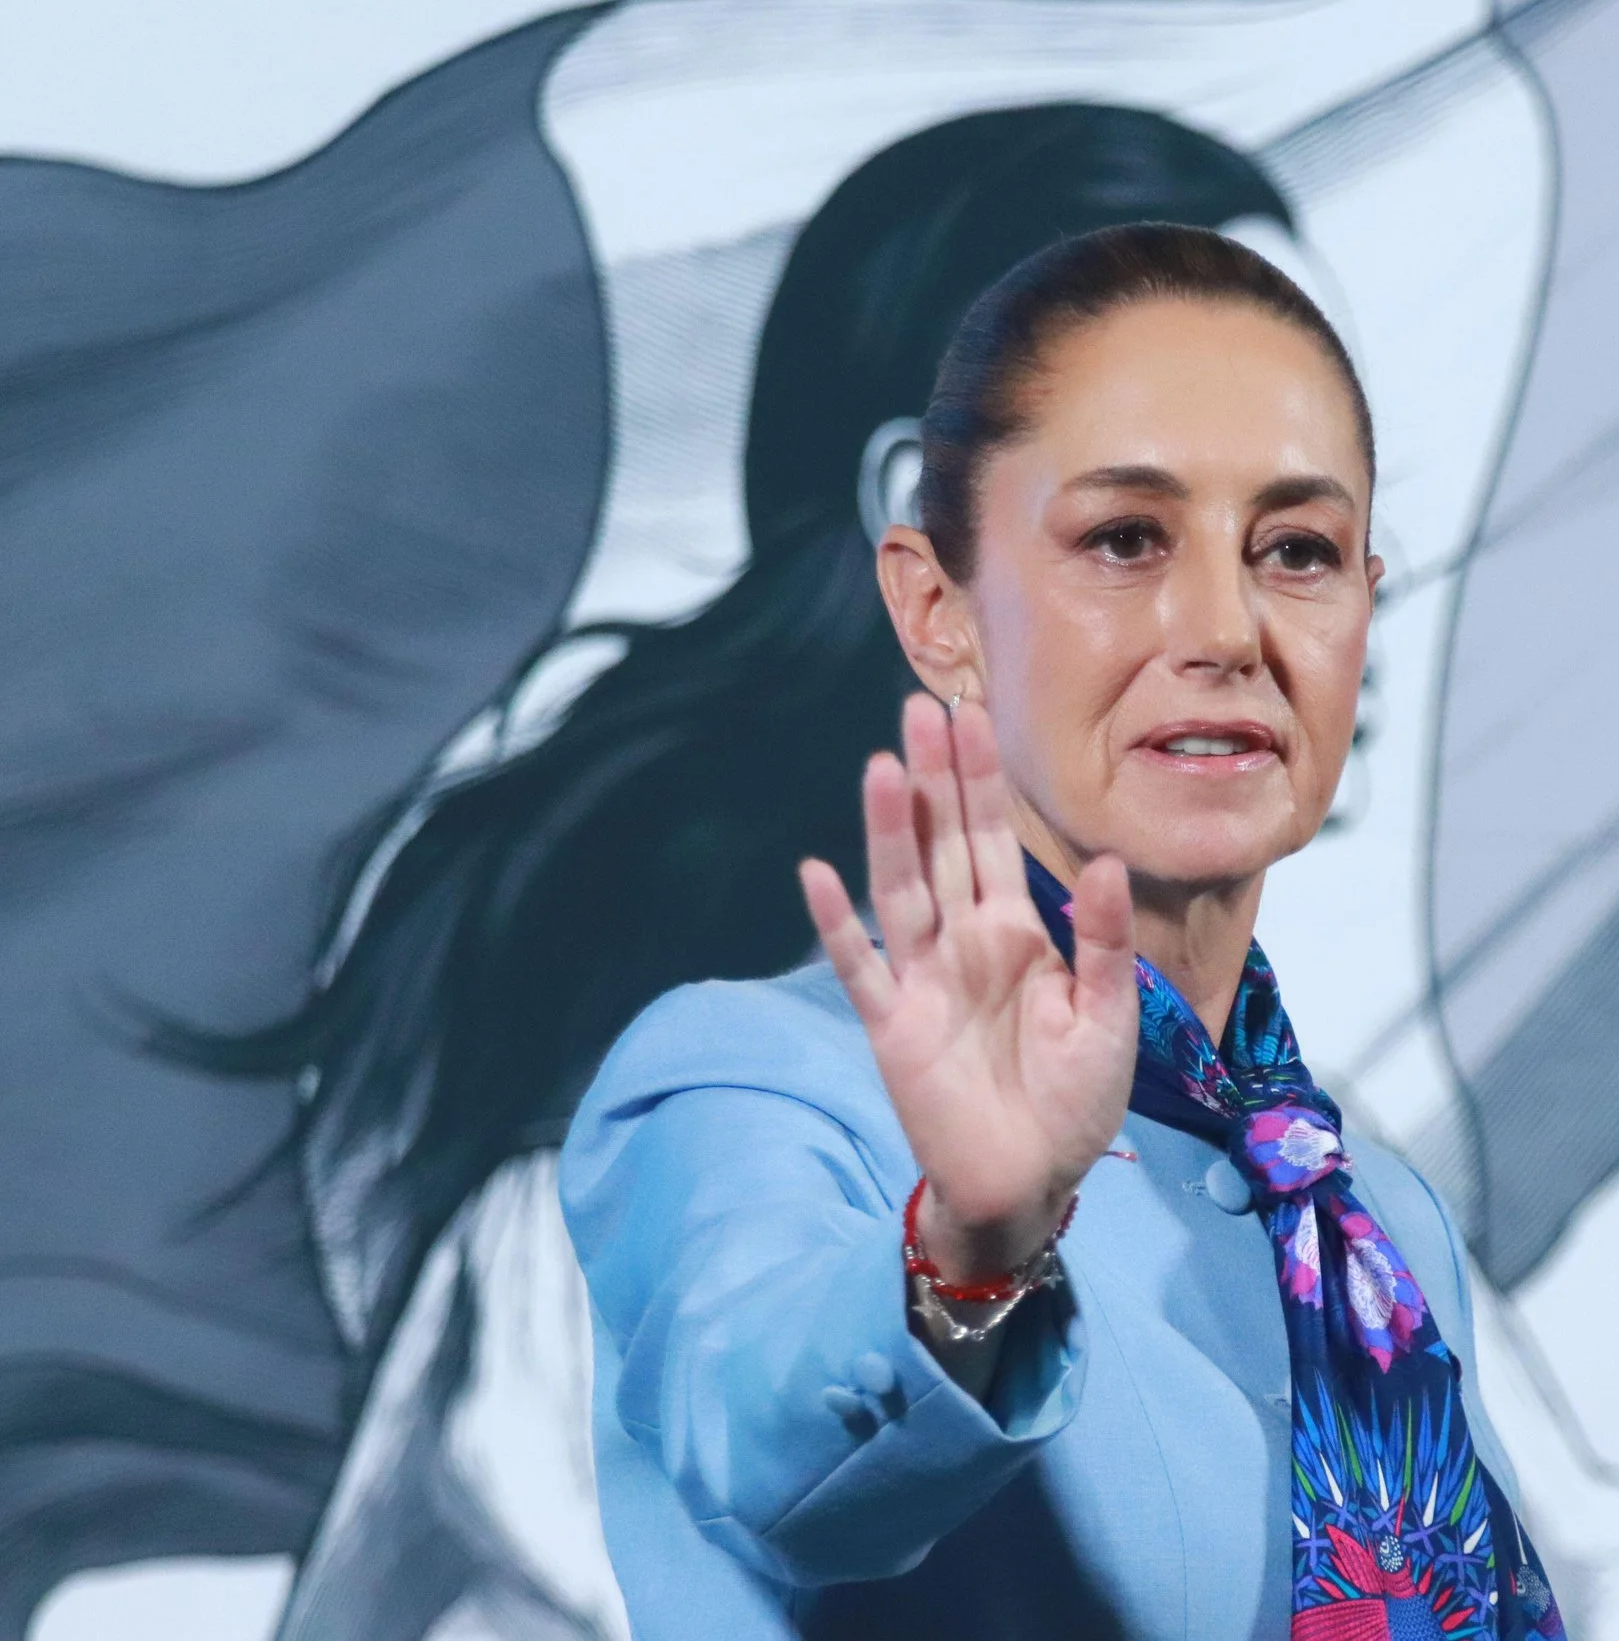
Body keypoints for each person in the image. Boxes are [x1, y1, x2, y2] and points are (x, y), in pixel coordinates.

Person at [561, 222, 1568, 1640]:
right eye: (1124, 538)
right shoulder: (743, 1079)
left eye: (1296, 549)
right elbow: (769, 1453)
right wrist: (974, 1252)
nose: (1225, 626)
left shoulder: (1369, 1215)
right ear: (937, 610)